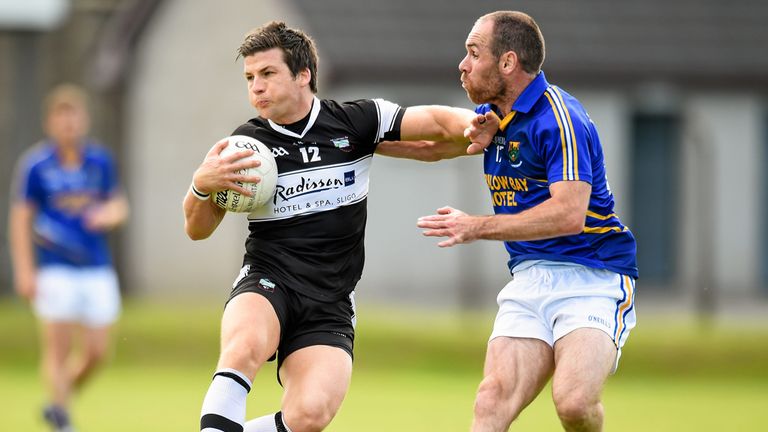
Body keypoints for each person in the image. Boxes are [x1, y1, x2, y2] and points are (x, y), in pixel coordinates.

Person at [183, 21, 497, 432]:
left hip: (330, 301)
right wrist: (201, 187)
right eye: (249, 78)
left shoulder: (357, 121)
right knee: (243, 349)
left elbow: (434, 125)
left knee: (310, 416)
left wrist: (475, 124)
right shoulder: (243, 147)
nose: (255, 87)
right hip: (268, 280)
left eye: (267, 74)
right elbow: (197, 229)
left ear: (303, 75)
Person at [416, 11, 638, 432]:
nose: (462, 64)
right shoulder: (494, 115)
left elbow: (570, 215)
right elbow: (428, 141)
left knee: (574, 404)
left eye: (472, 53)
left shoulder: (560, 117)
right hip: (530, 278)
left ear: (507, 63)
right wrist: (354, 139)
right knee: (490, 403)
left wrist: (475, 226)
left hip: (593, 275)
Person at [8, 84, 129, 432]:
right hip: (54, 268)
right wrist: (25, 270)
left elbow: (119, 205)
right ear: (50, 123)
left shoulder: (100, 162)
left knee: (96, 352)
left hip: (95, 266)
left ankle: (57, 402)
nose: (69, 125)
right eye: (62, 119)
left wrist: (109, 214)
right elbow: (20, 220)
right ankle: (62, 419)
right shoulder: (36, 166)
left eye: (74, 118)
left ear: (84, 121)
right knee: (58, 348)